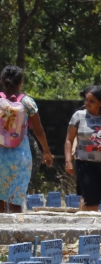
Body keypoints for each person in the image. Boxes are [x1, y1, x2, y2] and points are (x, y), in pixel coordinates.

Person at [0, 65, 52, 212]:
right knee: (16, 200)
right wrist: (46, 151)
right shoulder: (27, 102)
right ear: (21, 82)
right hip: (20, 157)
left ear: (2, 80)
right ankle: (16, 234)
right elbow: (38, 130)